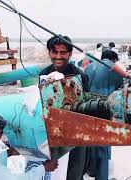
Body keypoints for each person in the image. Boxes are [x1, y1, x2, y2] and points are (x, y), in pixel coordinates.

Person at [84, 50, 131, 180]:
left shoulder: (89, 67)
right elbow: (122, 88)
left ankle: (91, 168)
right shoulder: (115, 69)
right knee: (104, 144)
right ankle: (102, 175)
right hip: (106, 109)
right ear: (114, 60)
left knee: (90, 141)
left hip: (88, 108)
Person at [39, 35, 90, 180]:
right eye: (54, 52)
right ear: (49, 53)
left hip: (76, 132)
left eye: (63, 52)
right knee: (56, 169)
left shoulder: (80, 75)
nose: (58, 56)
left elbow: (86, 107)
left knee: (75, 168)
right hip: (53, 131)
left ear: (70, 53)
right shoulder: (44, 74)